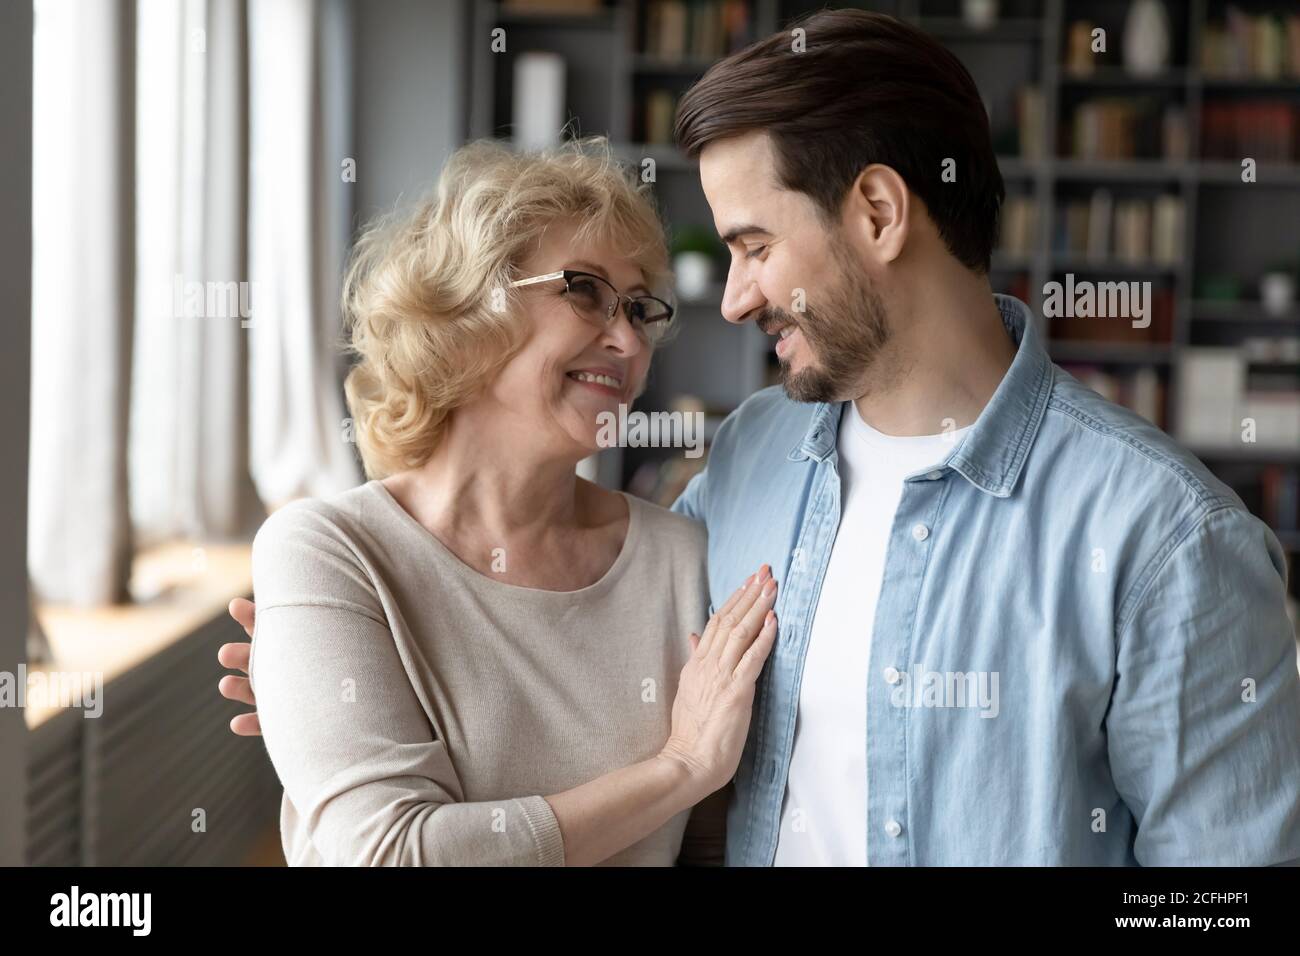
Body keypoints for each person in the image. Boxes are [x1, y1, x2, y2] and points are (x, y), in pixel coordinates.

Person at [226, 8, 1300, 867]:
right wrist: (339, 683)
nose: (732, 299)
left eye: (752, 244)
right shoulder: (747, 463)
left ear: (878, 213)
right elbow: (593, 667)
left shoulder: (1164, 538)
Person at [220, 136, 778, 866]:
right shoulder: (330, 551)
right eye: (584, 290)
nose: (627, 340)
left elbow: (710, 842)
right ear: (464, 311)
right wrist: (679, 767)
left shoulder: (681, 556)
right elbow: (389, 856)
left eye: (640, 309)